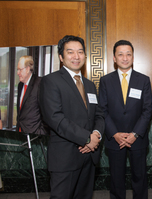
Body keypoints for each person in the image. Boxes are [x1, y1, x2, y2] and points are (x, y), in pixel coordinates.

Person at [39, 35, 105, 199]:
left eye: (80, 52)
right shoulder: (50, 81)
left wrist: (96, 135)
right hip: (65, 158)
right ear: (61, 57)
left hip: (89, 156)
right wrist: (86, 138)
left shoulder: (89, 85)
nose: (76, 56)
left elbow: (99, 115)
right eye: (70, 52)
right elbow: (55, 118)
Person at [98, 40, 152, 199]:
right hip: (115, 138)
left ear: (133, 57)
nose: (125, 58)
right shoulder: (105, 81)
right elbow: (102, 109)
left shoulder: (143, 80)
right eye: (120, 54)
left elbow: (147, 110)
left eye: (128, 54)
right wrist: (114, 133)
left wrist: (135, 134)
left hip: (138, 138)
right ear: (114, 58)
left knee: (139, 177)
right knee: (116, 178)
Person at [16, 56, 45, 135]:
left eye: (20, 69)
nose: (18, 73)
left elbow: (46, 112)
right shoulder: (20, 86)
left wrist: (41, 133)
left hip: (35, 135)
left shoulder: (40, 83)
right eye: (17, 70)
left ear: (28, 69)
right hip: (20, 134)